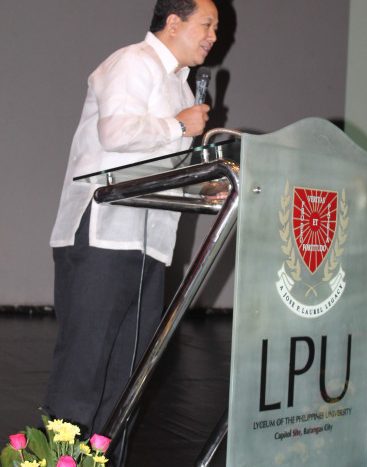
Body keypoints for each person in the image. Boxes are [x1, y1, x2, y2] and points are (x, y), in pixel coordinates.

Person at [44, 0, 219, 464]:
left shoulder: (181, 88)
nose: (214, 37)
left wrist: (205, 187)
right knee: (83, 374)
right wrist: (178, 125)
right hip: (103, 237)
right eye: (207, 25)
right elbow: (117, 133)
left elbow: (161, 167)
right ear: (174, 23)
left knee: (127, 381)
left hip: (150, 245)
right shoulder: (132, 62)